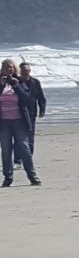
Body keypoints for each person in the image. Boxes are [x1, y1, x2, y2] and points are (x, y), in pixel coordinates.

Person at [0, 59, 42, 187]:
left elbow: (27, 98)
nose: (9, 69)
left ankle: (32, 175)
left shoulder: (19, 81)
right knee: (6, 150)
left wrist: (17, 86)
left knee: (25, 148)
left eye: (11, 67)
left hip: (19, 121)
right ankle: (8, 177)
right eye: (7, 67)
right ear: (2, 69)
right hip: (4, 122)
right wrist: (1, 86)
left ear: (15, 69)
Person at [14, 61, 46, 166]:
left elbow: (41, 97)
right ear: (20, 71)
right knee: (19, 138)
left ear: (30, 71)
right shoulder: (16, 82)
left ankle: (28, 159)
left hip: (32, 113)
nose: (25, 72)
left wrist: (42, 109)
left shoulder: (35, 82)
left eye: (27, 70)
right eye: (23, 71)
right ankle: (18, 160)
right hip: (18, 113)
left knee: (30, 137)